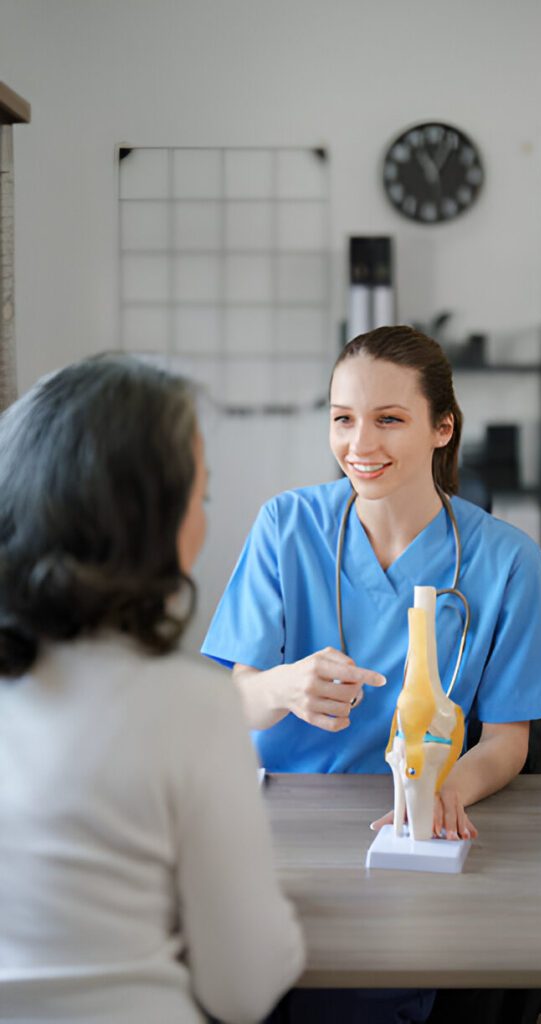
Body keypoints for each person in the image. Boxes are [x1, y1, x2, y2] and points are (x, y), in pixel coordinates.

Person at [202, 325, 541, 1024]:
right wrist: (283, 687)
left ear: (442, 428)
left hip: (412, 834)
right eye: (342, 420)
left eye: (388, 420)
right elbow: (227, 702)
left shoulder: (506, 562)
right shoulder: (286, 527)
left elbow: (506, 740)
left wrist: (443, 793)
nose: (359, 446)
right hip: (280, 832)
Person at [0, 355, 304, 1024]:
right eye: (199, 496)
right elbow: (244, 989)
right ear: (149, 523)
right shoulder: (189, 706)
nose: (202, 517)